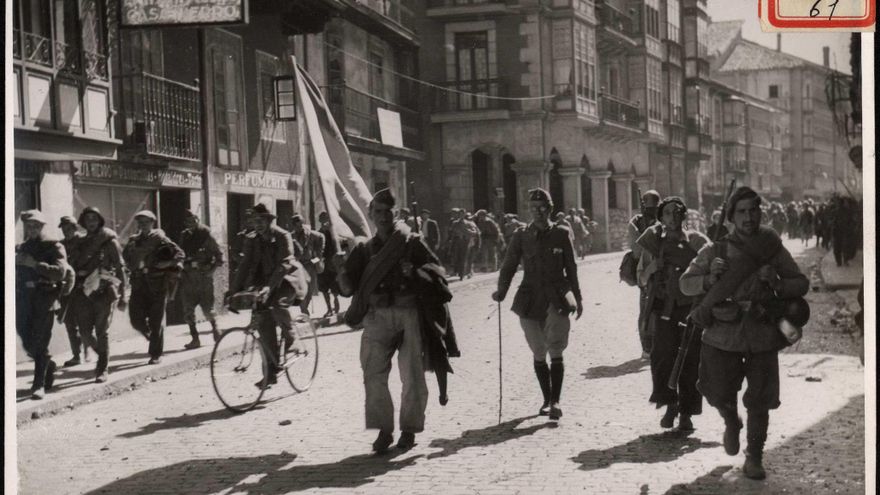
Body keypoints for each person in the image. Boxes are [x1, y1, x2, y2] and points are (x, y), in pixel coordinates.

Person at [680, 186, 809, 480]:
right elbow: (685, 284)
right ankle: (731, 421)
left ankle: (754, 456)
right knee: (717, 392)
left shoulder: (772, 247)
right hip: (722, 333)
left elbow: (800, 283)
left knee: (760, 398)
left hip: (762, 331)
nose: (749, 217)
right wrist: (709, 278)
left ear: (760, 212)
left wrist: (776, 281)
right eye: (742, 212)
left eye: (754, 210)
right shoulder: (717, 248)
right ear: (731, 217)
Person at [336, 188, 439, 452]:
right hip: (376, 318)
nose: (383, 217)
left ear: (396, 213)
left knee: (412, 375)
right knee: (373, 374)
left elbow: (438, 273)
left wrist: (415, 272)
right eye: (378, 212)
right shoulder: (364, 249)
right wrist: (340, 272)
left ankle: (409, 429)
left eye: (388, 212)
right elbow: (348, 287)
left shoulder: (411, 242)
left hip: (408, 314)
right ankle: (384, 429)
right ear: (370, 214)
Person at [492, 188, 583, 421]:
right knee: (538, 350)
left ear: (550, 209)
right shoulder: (521, 235)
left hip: (557, 296)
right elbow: (509, 265)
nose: (537, 213)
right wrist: (501, 290)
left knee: (556, 347)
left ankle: (556, 401)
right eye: (533, 209)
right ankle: (546, 398)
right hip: (529, 299)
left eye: (542, 208)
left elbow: (571, 268)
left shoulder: (561, 234)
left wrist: (578, 298)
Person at [636, 197, 709, 431]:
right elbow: (641, 278)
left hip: (690, 308)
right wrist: (652, 268)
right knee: (663, 357)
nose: (673, 218)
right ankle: (670, 405)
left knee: (690, 359)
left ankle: (687, 413)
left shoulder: (697, 241)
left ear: (684, 216)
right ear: (661, 217)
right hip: (663, 308)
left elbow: (711, 263)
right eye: (667, 213)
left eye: (678, 213)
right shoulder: (653, 242)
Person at [230, 203, 308, 387]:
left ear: (269, 221)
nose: (257, 224)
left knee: (277, 305)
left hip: (288, 281)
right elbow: (245, 265)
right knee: (263, 324)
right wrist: (233, 292)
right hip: (265, 283)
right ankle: (271, 372)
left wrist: (268, 287)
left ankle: (294, 340)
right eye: (254, 221)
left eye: (261, 220)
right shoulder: (251, 239)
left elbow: (285, 264)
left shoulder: (283, 235)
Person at [16, 210, 69, 399]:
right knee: (26, 340)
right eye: (29, 226)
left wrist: (35, 265)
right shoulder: (21, 248)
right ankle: (48, 363)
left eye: (36, 226)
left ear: (42, 227)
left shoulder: (53, 246)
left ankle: (38, 386)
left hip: (44, 299)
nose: (32, 229)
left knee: (39, 341)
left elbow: (60, 273)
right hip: (23, 301)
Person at [123, 210, 184, 365]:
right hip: (138, 284)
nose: (143, 225)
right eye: (140, 223)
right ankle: (150, 336)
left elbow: (180, 254)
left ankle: (156, 353)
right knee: (136, 319)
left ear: (152, 223)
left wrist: (167, 263)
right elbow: (125, 257)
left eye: (146, 222)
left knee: (156, 320)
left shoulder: (160, 238)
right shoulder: (133, 240)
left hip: (157, 283)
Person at [179, 209, 224, 349]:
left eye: (193, 220)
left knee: (207, 308)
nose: (190, 223)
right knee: (188, 309)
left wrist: (211, 271)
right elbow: (180, 253)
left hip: (203, 277)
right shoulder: (184, 236)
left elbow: (220, 256)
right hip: (188, 277)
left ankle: (215, 329)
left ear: (198, 220)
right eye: (187, 221)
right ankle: (195, 339)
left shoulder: (206, 235)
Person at [628, 189, 661, 358]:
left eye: (654, 207)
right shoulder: (636, 222)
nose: (651, 211)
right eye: (648, 207)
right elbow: (635, 247)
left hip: (662, 269)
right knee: (646, 309)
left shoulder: (663, 219)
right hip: (645, 268)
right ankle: (646, 346)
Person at [58, 216, 87, 367]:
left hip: (83, 287)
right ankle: (77, 355)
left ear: (75, 228)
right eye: (63, 228)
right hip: (67, 288)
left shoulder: (84, 242)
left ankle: (87, 351)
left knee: (85, 322)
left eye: (69, 228)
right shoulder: (60, 245)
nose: (66, 231)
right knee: (70, 323)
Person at [290, 214, 326, 316]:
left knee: (310, 289)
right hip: (297, 266)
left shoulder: (312, 235)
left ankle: (305, 307)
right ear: (293, 225)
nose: (300, 226)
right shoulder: (290, 236)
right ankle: (304, 310)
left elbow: (321, 238)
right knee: (300, 289)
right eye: (297, 224)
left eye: (301, 224)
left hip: (309, 265)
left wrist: (318, 256)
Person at [317, 212, 341, 318]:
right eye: (322, 220)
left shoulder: (333, 234)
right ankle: (329, 308)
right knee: (323, 287)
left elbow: (338, 247)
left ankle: (336, 300)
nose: (324, 222)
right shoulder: (318, 234)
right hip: (322, 264)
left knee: (334, 285)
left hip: (332, 264)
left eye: (326, 219)